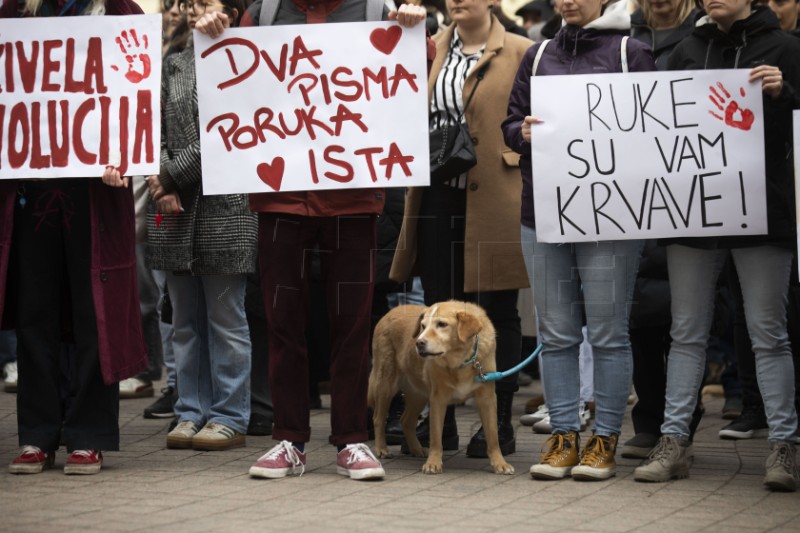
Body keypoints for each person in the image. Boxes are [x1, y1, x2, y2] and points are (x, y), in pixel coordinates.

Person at [195, 0, 430, 481]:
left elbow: (413, 69)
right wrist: (212, 33)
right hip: (281, 201)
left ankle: (351, 440)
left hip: (353, 199)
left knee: (352, 325)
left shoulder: (375, 10)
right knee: (282, 323)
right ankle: (289, 438)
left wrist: (413, 30)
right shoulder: (260, 16)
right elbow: (224, 82)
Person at [632, 0, 800, 491]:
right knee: (686, 332)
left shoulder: (785, 49)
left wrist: (785, 94)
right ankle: (674, 441)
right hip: (693, 211)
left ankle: (784, 446)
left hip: (762, 209)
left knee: (767, 331)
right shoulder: (686, 50)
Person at [502, 0, 655, 481]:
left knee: (608, 333)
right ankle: (564, 436)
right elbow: (509, 124)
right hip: (543, 212)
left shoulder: (633, 52)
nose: (567, 1)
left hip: (612, 216)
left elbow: (657, 132)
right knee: (557, 334)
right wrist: (519, 131)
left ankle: (604, 438)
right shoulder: (539, 53)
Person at [1, 0, 149, 476]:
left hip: (95, 195)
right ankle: (36, 434)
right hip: (29, 192)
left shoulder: (119, 14)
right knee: (35, 314)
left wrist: (124, 152)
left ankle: (89, 434)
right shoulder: (17, 16)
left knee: (94, 315)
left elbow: (136, 96)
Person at [104, 0, 259, 452]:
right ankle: (190, 410)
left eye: (205, 3)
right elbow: (151, 127)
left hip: (226, 208)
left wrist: (169, 175)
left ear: (231, 9)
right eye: (190, 4)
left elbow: (231, 131)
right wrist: (159, 182)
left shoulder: (245, 56)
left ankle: (230, 414)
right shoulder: (173, 63)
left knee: (226, 319)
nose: (194, 12)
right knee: (185, 321)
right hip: (171, 210)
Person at [390, 0, 531, 460]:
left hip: (495, 191)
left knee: (497, 310)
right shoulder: (426, 48)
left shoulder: (523, 51)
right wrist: (403, 33)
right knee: (436, 306)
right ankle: (441, 419)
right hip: (436, 195)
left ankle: (499, 420)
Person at [622, 0, 701, 459]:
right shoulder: (621, 43)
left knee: (684, 317)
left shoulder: (701, 41)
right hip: (629, 190)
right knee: (636, 317)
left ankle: (680, 420)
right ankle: (650, 418)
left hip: (686, 189)